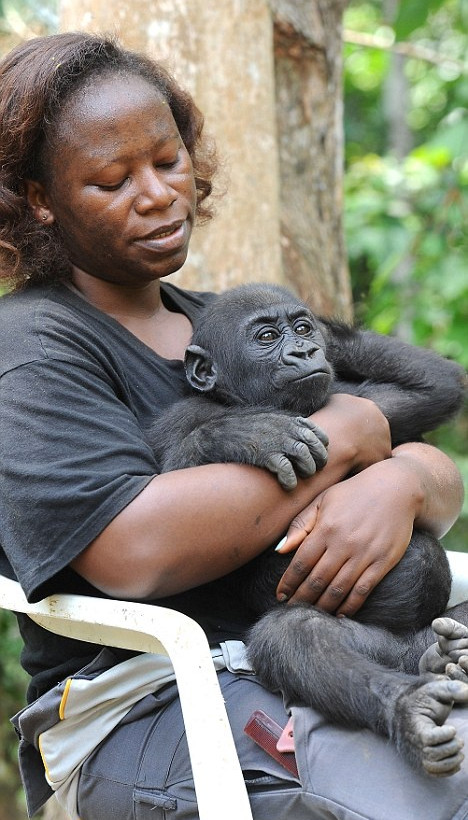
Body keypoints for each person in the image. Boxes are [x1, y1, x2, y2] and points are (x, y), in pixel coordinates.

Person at [0, 32, 466, 820]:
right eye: (113, 179)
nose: (156, 195)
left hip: (334, 645)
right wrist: (351, 439)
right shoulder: (33, 343)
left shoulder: (235, 324)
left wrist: (401, 479)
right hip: (148, 703)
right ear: (41, 199)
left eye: (168, 161)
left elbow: (432, 465)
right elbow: (133, 552)